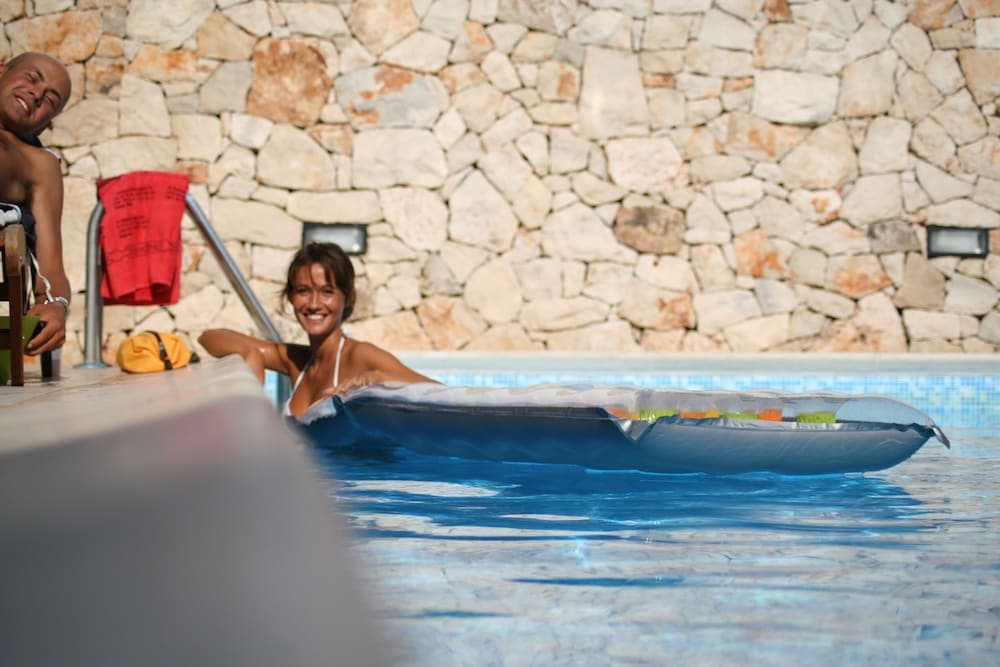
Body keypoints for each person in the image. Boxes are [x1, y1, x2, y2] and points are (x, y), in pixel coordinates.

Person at [199, 242, 437, 420]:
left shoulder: (360, 355)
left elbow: (439, 392)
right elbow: (209, 337)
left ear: (347, 297)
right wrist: (249, 354)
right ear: (290, 297)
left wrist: (380, 379)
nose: (313, 304)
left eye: (327, 292)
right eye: (303, 290)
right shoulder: (296, 362)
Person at [0, 52, 73, 356]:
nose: (36, 94)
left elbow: (51, 267)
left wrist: (57, 307)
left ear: (44, 126)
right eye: (31, 78)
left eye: (50, 100)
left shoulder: (39, 164)